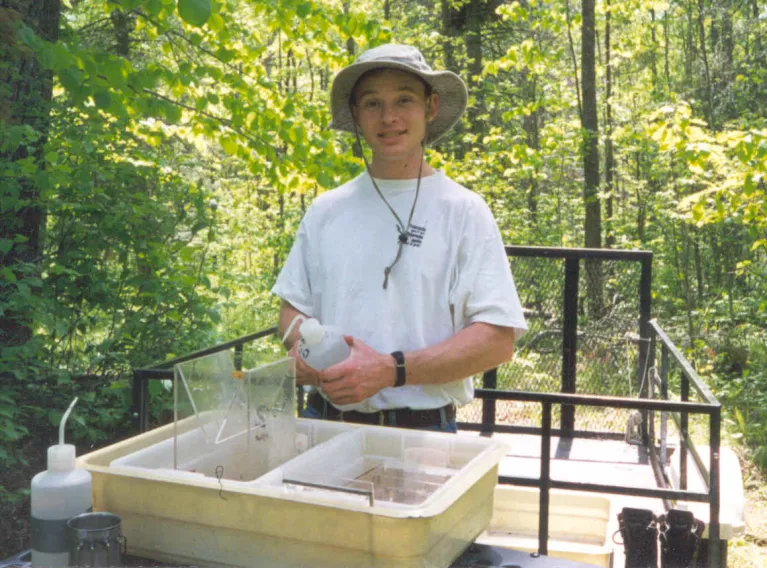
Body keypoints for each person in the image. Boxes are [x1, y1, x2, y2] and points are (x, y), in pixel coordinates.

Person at [272, 44, 527, 432]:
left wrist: (392, 371)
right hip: (321, 425)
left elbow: (496, 339)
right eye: (372, 103)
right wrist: (302, 351)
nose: (388, 117)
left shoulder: (463, 211)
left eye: (404, 100)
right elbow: (292, 311)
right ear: (356, 115)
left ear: (431, 107)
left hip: (424, 435)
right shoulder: (326, 211)